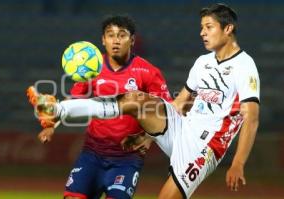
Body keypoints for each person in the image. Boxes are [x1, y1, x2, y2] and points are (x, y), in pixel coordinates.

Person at [28, 4, 260, 199]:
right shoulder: (202, 62)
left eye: (208, 27)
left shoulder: (245, 66)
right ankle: (56, 109)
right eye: (201, 28)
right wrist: (148, 134)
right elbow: (179, 104)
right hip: (181, 128)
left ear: (228, 29)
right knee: (135, 99)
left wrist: (238, 162)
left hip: (205, 147)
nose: (202, 33)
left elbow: (251, 118)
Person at [32, 15, 172, 199]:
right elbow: (75, 102)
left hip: (127, 159)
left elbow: (167, 112)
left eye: (121, 35)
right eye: (110, 35)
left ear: (132, 40)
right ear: (103, 40)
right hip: (92, 154)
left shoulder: (148, 72)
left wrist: (147, 137)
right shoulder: (91, 69)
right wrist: (51, 125)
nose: (116, 40)